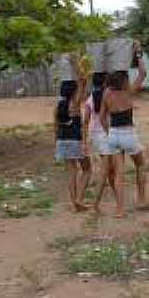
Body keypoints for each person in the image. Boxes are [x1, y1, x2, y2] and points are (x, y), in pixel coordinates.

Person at [99, 43, 148, 218]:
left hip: (113, 135)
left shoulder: (106, 93)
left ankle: (120, 209)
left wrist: (108, 133)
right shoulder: (128, 91)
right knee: (140, 164)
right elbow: (143, 73)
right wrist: (139, 53)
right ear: (124, 79)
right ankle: (141, 199)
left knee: (119, 174)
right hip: (128, 134)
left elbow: (101, 118)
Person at [54, 76, 89, 213]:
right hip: (75, 140)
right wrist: (79, 68)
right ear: (74, 91)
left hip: (62, 141)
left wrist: (56, 143)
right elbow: (84, 82)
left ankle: (74, 203)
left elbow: (55, 128)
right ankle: (79, 199)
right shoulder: (74, 103)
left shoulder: (58, 107)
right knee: (87, 169)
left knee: (71, 172)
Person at [83, 72, 117, 212]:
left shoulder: (90, 99)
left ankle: (118, 198)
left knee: (110, 170)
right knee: (106, 170)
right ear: (104, 83)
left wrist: (86, 140)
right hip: (106, 135)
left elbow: (85, 121)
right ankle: (95, 203)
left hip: (95, 136)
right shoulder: (108, 96)